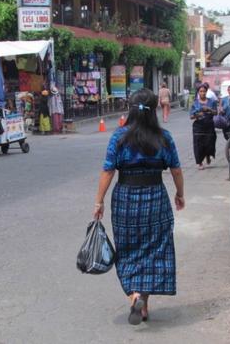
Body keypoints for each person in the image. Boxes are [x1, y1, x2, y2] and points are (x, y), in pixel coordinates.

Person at [93, 88, 185, 326]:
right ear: (154, 111)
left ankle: (134, 295)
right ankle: (143, 298)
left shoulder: (119, 137)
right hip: (155, 197)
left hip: (125, 200)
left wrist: (99, 200)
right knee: (155, 247)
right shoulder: (164, 137)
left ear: (130, 110)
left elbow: (108, 169)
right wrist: (180, 194)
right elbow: (175, 169)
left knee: (128, 248)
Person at [190, 84, 218, 170]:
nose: (202, 93)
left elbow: (216, 112)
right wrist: (198, 114)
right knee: (198, 145)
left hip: (209, 125)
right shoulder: (195, 103)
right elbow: (191, 116)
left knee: (209, 143)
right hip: (198, 127)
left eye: (204, 91)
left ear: (206, 92)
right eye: (201, 91)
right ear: (198, 92)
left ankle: (208, 155)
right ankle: (200, 163)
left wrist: (209, 109)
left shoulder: (212, 102)